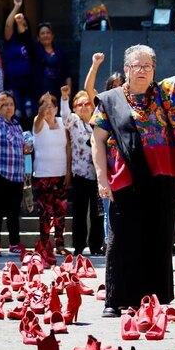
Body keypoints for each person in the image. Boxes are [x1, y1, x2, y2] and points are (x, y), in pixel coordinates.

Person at [91, 24, 175, 316]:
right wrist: (102, 179)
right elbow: (97, 141)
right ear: (126, 69)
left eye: (148, 66)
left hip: (161, 178)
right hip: (125, 178)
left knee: (158, 236)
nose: (143, 70)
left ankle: (153, 297)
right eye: (137, 65)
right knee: (123, 237)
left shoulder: (164, 92)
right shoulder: (110, 100)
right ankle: (116, 300)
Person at [84, 52, 124, 246]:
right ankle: (110, 248)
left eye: (120, 85)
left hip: (127, 163)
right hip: (108, 163)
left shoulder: (134, 103)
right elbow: (89, 88)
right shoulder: (104, 104)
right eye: (113, 86)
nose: (117, 89)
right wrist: (95, 64)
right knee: (109, 209)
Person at [0, 91, 30, 257]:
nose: (9, 107)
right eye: (5, 104)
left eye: (11, 104)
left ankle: (14, 243)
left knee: (13, 212)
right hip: (0, 173)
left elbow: (23, 147)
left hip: (17, 175)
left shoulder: (18, 126)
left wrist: (26, 149)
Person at [31, 88, 71, 256]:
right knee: (45, 212)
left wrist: (68, 170)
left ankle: (60, 244)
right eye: (46, 105)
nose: (49, 109)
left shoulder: (62, 123)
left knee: (60, 211)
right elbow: (40, 116)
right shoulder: (38, 122)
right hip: (42, 175)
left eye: (52, 106)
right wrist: (44, 104)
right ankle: (45, 244)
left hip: (60, 174)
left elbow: (68, 147)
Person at [65, 89, 103, 256]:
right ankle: (79, 246)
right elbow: (64, 112)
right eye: (79, 104)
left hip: (98, 174)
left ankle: (96, 245)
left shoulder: (98, 122)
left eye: (87, 103)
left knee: (97, 213)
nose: (83, 107)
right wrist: (65, 97)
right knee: (79, 213)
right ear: (74, 108)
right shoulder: (73, 121)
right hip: (80, 174)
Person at [3, 0, 35, 128]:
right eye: (19, 25)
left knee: (28, 112)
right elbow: (8, 26)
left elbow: (25, 35)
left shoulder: (30, 43)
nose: (21, 26)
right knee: (15, 112)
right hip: (13, 82)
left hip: (28, 83)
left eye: (24, 25)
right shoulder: (10, 41)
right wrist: (16, 7)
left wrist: (22, 23)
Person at [32, 23, 72, 103]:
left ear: (52, 36)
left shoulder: (61, 53)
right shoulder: (34, 52)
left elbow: (67, 74)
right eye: (42, 33)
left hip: (57, 90)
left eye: (48, 33)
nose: (45, 35)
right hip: (39, 91)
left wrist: (68, 91)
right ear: (38, 38)